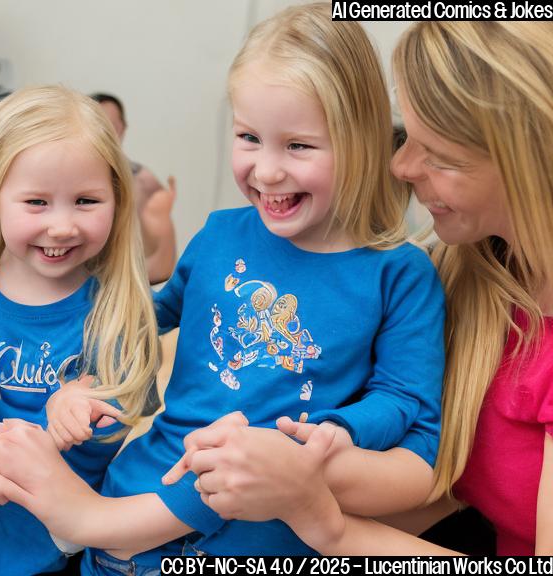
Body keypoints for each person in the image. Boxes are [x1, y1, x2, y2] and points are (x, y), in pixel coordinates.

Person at [0, 4, 446, 572]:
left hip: (257, 535)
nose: (266, 171)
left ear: (361, 140)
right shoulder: (219, 234)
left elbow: (406, 402)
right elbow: (142, 319)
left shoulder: (400, 273)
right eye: (248, 137)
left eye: (298, 146)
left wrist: (339, 430)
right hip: (131, 509)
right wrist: (83, 384)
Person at [176, 20, 553, 556]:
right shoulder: (466, 269)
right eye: (407, 137)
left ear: (528, 166)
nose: (398, 167)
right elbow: (446, 486)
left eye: (438, 155)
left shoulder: (406, 275)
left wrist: (318, 516)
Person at [0, 85, 161, 576]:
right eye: (37, 202)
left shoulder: (116, 306)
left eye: (86, 201)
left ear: (116, 198)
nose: (62, 226)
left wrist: (82, 404)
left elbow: (121, 419)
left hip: (64, 506)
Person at [92, 93, 177, 284]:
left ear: (122, 128)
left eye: (111, 125)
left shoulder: (142, 179)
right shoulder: (70, 174)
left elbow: (161, 265)